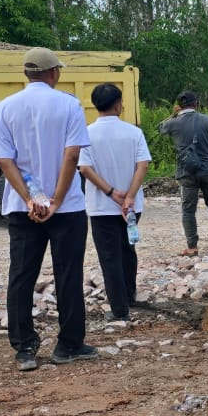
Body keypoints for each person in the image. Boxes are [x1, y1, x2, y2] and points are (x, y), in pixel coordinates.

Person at [0, 47, 96, 372]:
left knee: (21, 275)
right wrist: (56, 201)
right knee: (68, 273)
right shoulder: (69, 104)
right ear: (54, 72)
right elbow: (71, 156)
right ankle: (69, 344)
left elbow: (5, 160)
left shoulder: (5, 107)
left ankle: (24, 347)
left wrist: (29, 200)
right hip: (67, 208)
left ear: (27, 73)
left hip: (22, 208)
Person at [77, 83, 150, 322]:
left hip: (101, 207)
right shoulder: (133, 132)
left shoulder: (86, 134)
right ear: (118, 105)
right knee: (128, 250)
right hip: (132, 207)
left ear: (95, 105)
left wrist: (110, 193)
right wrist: (129, 196)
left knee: (109, 257)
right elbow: (142, 165)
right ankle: (129, 296)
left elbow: (85, 169)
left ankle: (119, 310)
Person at [158, 90, 208, 257]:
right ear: (196, 104)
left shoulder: (173, 123)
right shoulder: (206, 120)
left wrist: (172, 115)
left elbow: (160, 128)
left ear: (179, 106)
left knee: (188, 209)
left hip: (186, 171)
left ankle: (192, 247)